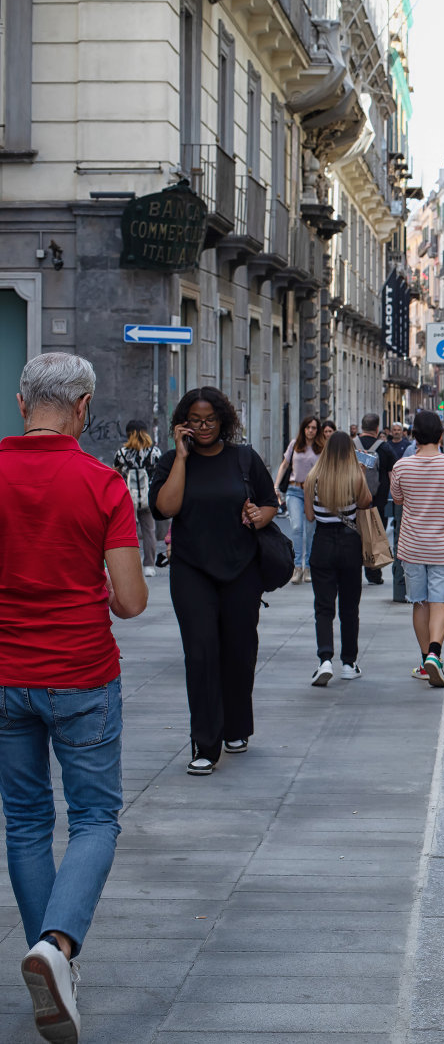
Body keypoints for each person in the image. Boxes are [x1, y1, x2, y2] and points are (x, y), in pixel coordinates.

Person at [2, 352, 148, 1042]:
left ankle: (50, 960)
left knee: (26, 820)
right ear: (85, 409)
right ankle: (56, 949)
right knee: (93, 818)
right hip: (82, 672)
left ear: (24, 405)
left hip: (4, 674)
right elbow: (130, 600)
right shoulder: (101, 483)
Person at [151, 386, 280, 774]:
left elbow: (270, 501)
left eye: (210, 420)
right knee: (201, 653)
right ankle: (205, 743)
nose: (203, 427)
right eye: (195, 421)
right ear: (183, 423)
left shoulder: (244, 458)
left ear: (223, 420)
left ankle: (237, 725)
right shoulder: (173, 460)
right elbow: (165, 508)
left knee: (239, 652)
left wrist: (260, 516)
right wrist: (181, 457)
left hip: (241, 569)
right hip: (191, 569)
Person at [389, 411, 444, 687]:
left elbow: (398, 500)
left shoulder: (402, 466)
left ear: (414, 435)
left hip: (412, 546)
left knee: (420, 602)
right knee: (440, 602)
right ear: (441, 435)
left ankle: (426, 660)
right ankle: (435, 655)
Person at [304, 431, 374, 686]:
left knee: (323, 606)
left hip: (322, 543)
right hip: (349, 544)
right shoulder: (355, 476)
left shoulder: (313, 478)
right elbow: (366, 502)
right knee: (349, 607)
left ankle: (324, 660)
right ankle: (348, 662)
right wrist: (362, 473)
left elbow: (310, 517)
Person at [113, 419, 164, 577]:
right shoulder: (154, 452)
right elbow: (160, 475)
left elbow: (116, 474)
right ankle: (149, 565)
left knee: (129, 533)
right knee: (149, 531)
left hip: (128, 499)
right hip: (149, 499)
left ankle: (131, 565)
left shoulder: (122, 453)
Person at [276, 415, 324, 584]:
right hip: (294, 489)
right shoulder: (295, 444)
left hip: (313, 492)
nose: (310, 431)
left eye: (314, 428)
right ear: (304, 429)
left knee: (311, 530)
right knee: (297, 527)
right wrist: (275, 486)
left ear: (317, 431)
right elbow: (284, 464)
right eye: (308, 427)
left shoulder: (321, 447)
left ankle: (309, 566)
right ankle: (297, 567)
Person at [354, 414, 387, 585]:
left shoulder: (351, 445)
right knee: (374, 539)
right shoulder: (385, 448)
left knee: (354, 538)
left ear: (361, 427)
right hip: (376, 502)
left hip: (352, 502)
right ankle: (374, 573)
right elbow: (391, 474)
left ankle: (353, 572)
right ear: (377, 428)